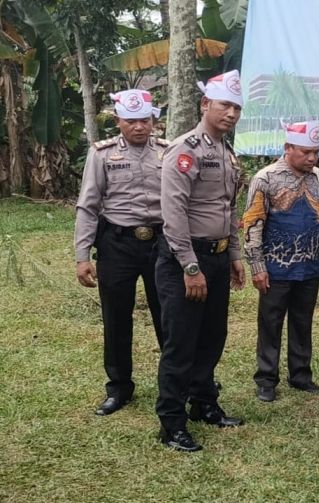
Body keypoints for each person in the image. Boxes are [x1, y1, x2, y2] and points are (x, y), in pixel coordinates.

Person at [155, 70, 246, 452]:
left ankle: (204, 404)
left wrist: (236, 255)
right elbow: (173, 212)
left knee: (212, 337)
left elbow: (228, 208)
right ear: (205, 104)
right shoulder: (185, 149)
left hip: (218, 257)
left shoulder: (225, 151)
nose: (231, 113)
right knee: (182, 343)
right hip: (185, 259)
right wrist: (190, 267)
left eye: (237, 107)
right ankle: (171, 422)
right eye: (224, 104)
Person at [74, 89, 166, 416]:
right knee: (116, 316)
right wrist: (82, 254)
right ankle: (119, 387)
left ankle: (175, 382)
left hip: (161, 243)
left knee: (168, 314)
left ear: (153, 119)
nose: (139, 127)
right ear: (118, 121)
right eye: (131, 121)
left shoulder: (168, 153)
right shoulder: (101, 154)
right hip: (117, 244)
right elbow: (88, 205)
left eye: (144, 120)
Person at [243, 120, 319, 402]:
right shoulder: (266, 178)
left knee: (302, 322)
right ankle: (266, 379)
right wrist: (257, 267)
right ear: (288, 148)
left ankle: (300, 375)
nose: (312, 158)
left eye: (316, 152)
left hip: (310, 266)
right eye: (305, 152)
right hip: (275, 269)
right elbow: (253, 224)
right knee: (270, 323)